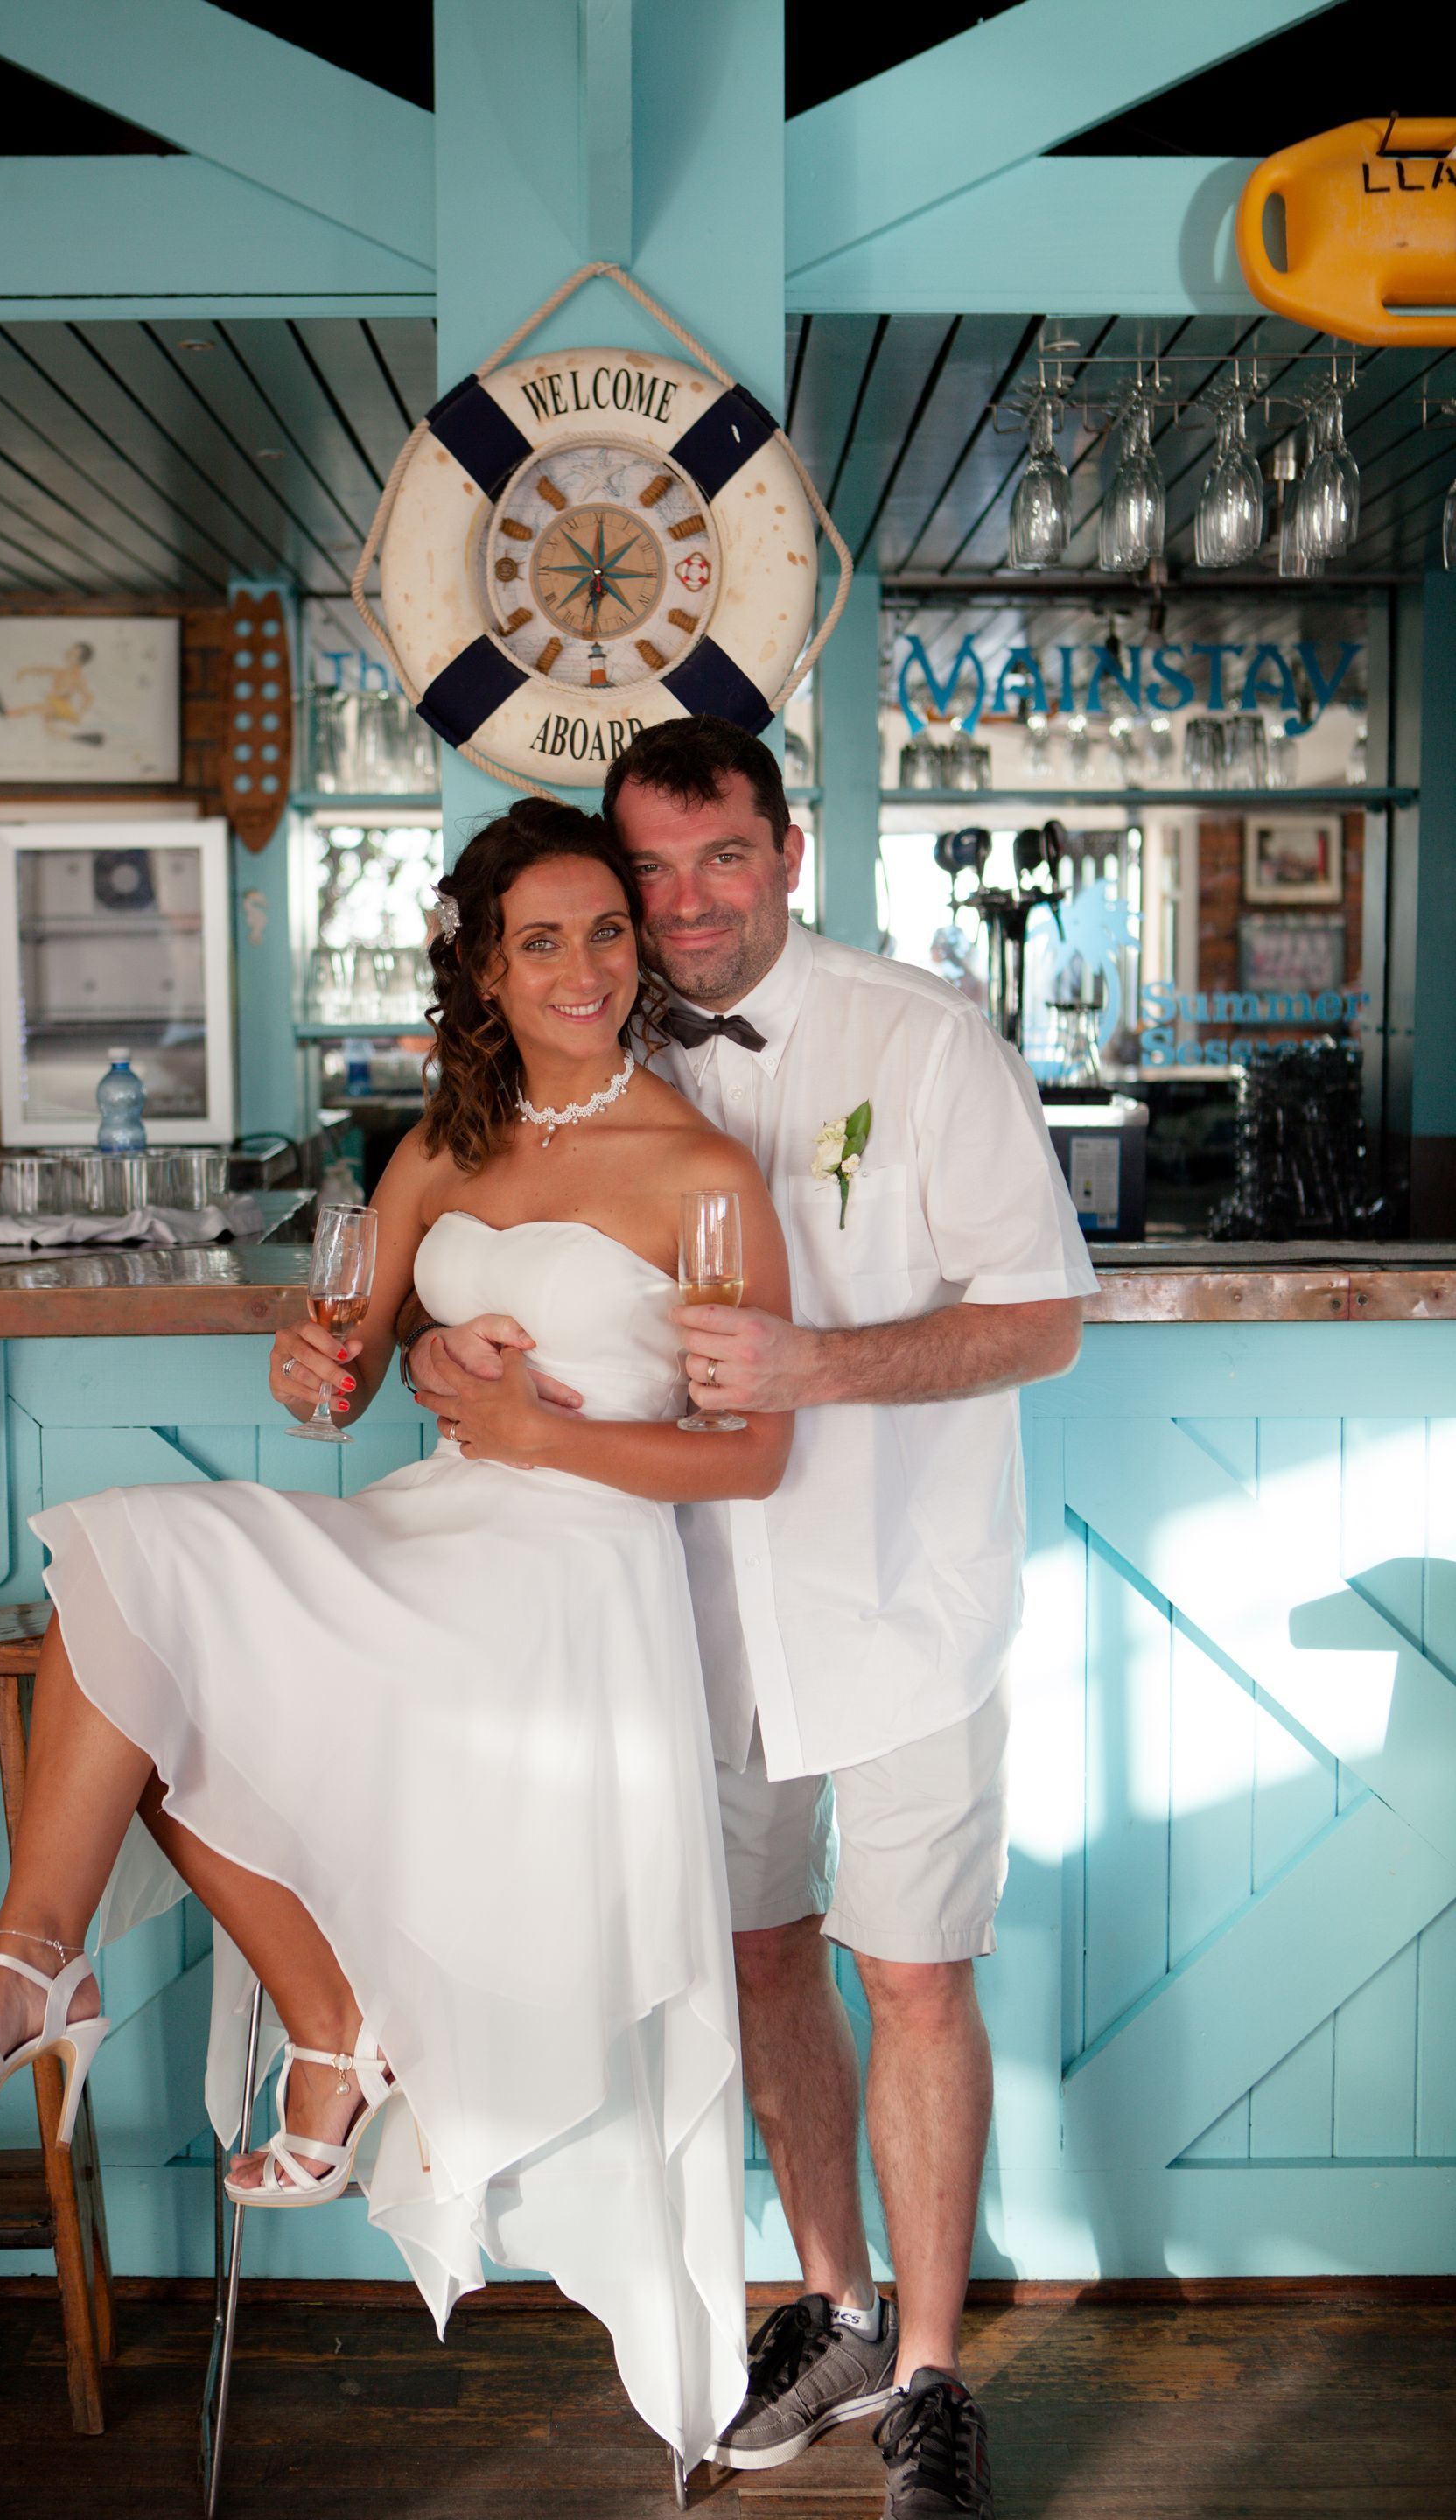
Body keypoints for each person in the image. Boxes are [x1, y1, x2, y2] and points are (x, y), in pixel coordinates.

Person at [0, 798, 796, 2464]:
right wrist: (317, 1374)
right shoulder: (437, 1149)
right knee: (133, 1581)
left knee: (153, 1621)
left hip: (579, 1580)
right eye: (544, 940)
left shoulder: (703, 1168)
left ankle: (137, 1998)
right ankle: (73, 1965)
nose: (587, 966)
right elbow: (332, 1372)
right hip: (432, 1530)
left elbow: (757, 1448)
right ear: (483, 971)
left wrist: (543, 1437)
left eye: (606, 931)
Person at [402, 718, 1096, 2518]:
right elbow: (460, 1242)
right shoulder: (580, 1037)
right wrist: (417, 1338)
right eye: (653, 872)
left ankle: (935, 2373)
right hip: (677, 1598)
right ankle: (835, 2307)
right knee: (766, 1954)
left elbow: (1040, 1316)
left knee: (916, 1972)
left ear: (788, 854)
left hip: (896, 1591)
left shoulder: (921, 1036)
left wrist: (819, 1364)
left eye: (724, 859)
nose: (686, 903)